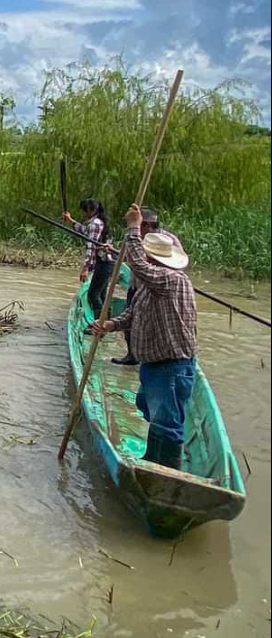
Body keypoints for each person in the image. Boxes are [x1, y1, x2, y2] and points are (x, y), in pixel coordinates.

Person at [90, 204, 196, 470]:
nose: (143, 261)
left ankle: (167, 474)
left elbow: (136, 261)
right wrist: (109, 324)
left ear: (156, 261)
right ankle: (153, 457)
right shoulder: (151, 288)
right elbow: (131, 315)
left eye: (148, 258)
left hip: (171, 365)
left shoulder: (171, 279)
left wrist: (134, 226)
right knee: (148, 406)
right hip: (154, 365)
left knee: (167, 422)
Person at [112, 208, 183, 366]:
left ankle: (154, 356)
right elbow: (130, 257)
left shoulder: (167, 241)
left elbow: (140, 264)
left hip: (160, 290)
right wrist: (113, 252)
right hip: (137, 287)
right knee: (130, 319)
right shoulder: (137, 239)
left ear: (145, 224)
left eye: (140, 225)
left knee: (155, 324)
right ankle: (132, 354)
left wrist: (132, 228)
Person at [62, 198, 113, 320]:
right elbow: (83, 231)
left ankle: (99, 323)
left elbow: (91, 247)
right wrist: (70, 220)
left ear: (93, 210)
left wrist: (85, 268)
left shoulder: (95, 224)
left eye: (86, 210)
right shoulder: (96, 222)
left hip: (104, 263)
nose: (85, 213)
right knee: (101, 294)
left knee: (93, 295)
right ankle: (105, 321)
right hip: (105, 263)